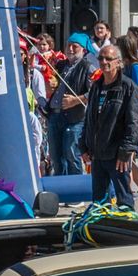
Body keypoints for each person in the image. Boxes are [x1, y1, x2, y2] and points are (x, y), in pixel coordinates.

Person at [81, 44, 138, 207]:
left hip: (117, 154)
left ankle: (127, 229)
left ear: (118, 62)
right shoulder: (96, 86)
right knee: (99, 202)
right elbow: (89, 118)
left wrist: (126, 150)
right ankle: (101, 229)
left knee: (124, 200)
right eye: (101, 58)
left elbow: (134, 122)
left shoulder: (128, 87)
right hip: (97, 153)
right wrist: (84, 146)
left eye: (108, 58)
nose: (104, 61)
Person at [43, 35, 92, 176]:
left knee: (71, 155)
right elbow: (51, 85)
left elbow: (95, 91)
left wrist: (76, 100)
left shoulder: (87, 67)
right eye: (68, 45)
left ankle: (76, 190)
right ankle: (60, 189)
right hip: (55, 115)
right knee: (55, 156)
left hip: (75, 117)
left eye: (75, 46)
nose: (70, 49)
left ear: (83, 50)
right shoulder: (60, 65)